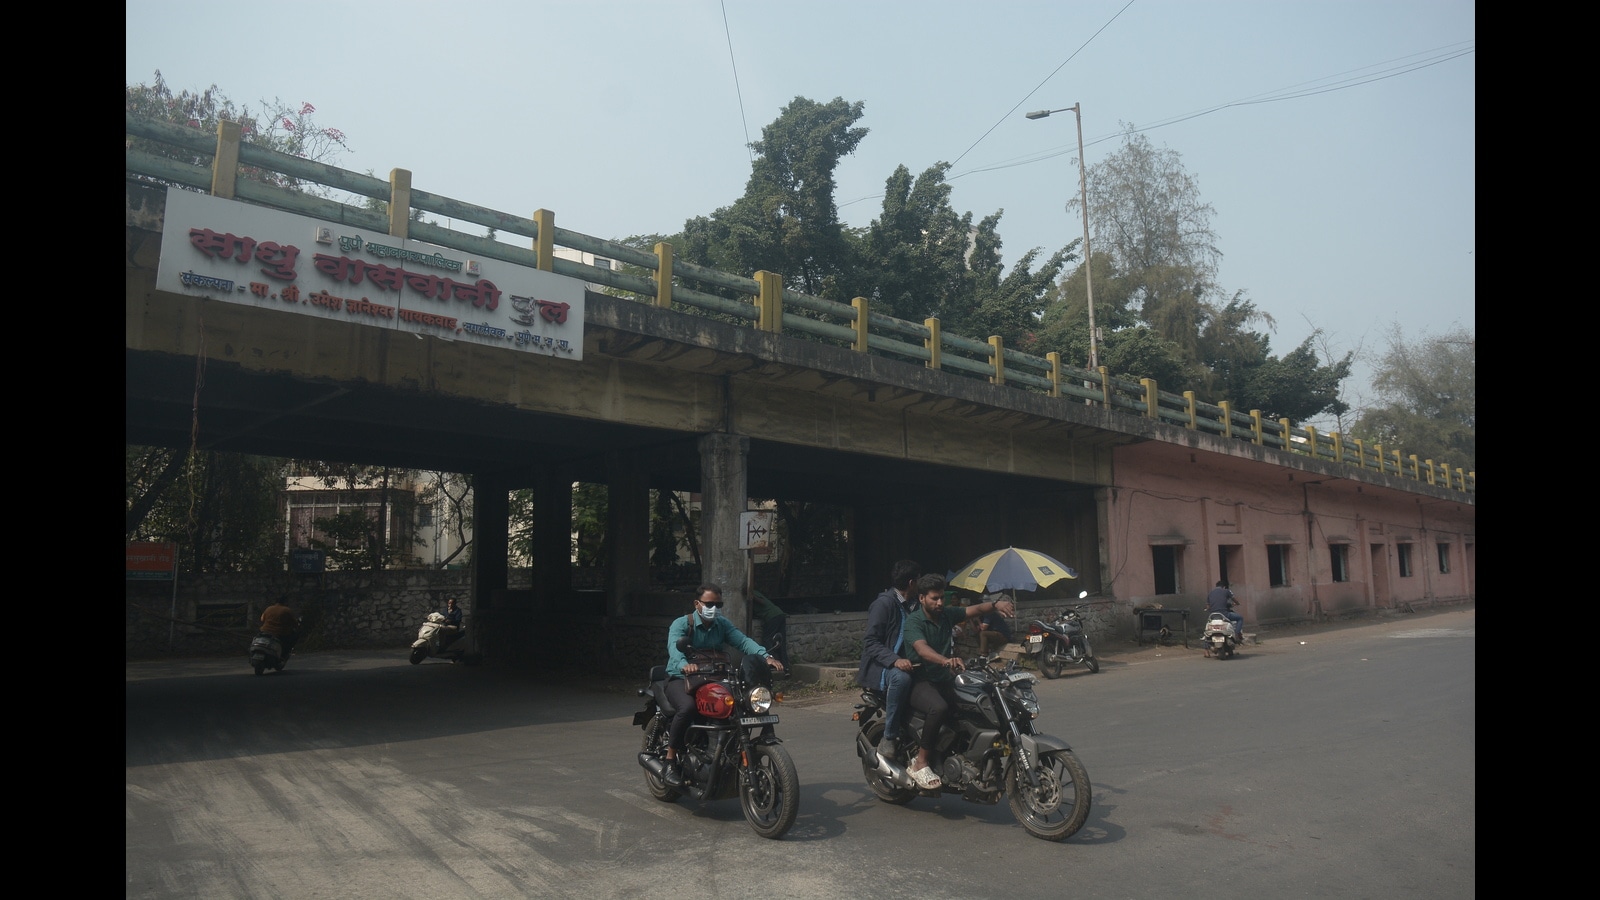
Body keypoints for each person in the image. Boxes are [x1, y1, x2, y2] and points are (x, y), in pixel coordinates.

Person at [661, 583, 785, 787]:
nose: (714, 608)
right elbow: (675, 650)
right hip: (681, 678)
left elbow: (743, 642)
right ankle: (670, 760)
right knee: (688, 708)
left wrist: (765, 657)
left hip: (714, 676)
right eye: (709, 604)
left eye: (718, 604)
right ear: (697, 603)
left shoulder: (722, 624)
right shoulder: (682, 624)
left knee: (742, 703)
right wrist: (685, 665)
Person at [902, 574, 1015, 789]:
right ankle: (920, 762)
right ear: (922, 598)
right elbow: (922, 649)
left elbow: (977, 610)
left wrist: (996, 604)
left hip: (945, 679)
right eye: (934, 598)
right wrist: (945, 660)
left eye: (942, 598)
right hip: (921, 680)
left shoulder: (945, 615)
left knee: (977, 703)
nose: (940, 603)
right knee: (939, 707)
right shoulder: (914, 622)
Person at [857, 559, 923, 762]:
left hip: (913, 663)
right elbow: (870, 642)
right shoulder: (883, 604)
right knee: (901, 679)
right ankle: (889, 736)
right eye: (919, 579)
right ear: (912, 582)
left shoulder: (915, 604)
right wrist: (895, 660)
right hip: (883, 667)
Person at [751, 590, 789, 668]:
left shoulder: (753, 594)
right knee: (781, 642)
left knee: (767, 639)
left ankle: (772, 663)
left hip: (772, 617)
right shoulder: (757, 592)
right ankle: (785, 667)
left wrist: (752, 597)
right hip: (779, 614)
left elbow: (762, 602)